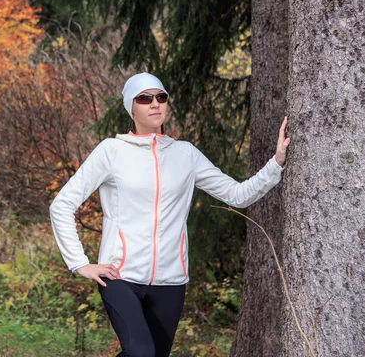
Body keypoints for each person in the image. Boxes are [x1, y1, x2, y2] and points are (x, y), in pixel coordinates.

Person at [49, 72, 290, 357]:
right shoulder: (111, 151)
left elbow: (237, 195)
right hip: (120, 276)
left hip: (170, 281)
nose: (155, 104)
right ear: (131, 107)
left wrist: (276, 163)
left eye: (161, 97)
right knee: (141, 353)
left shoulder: (185, 154)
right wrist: (80, 264)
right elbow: (61, 205)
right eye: (145, 98)